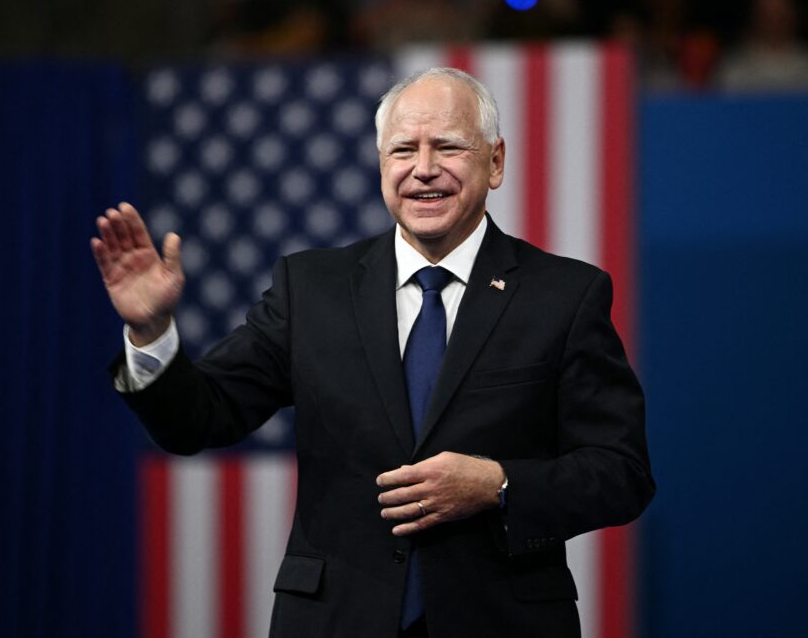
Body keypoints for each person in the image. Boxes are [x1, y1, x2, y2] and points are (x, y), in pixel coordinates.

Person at [91, 67, 654, 638]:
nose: (424, 169)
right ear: (382, 164)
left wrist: (498, 484)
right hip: (337, 620)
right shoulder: (310, 288)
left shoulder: (563, 295)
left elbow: (621, 472)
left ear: (496, 161)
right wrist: (153, 330)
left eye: (449, 147)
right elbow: (198, 419)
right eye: (403, 149)